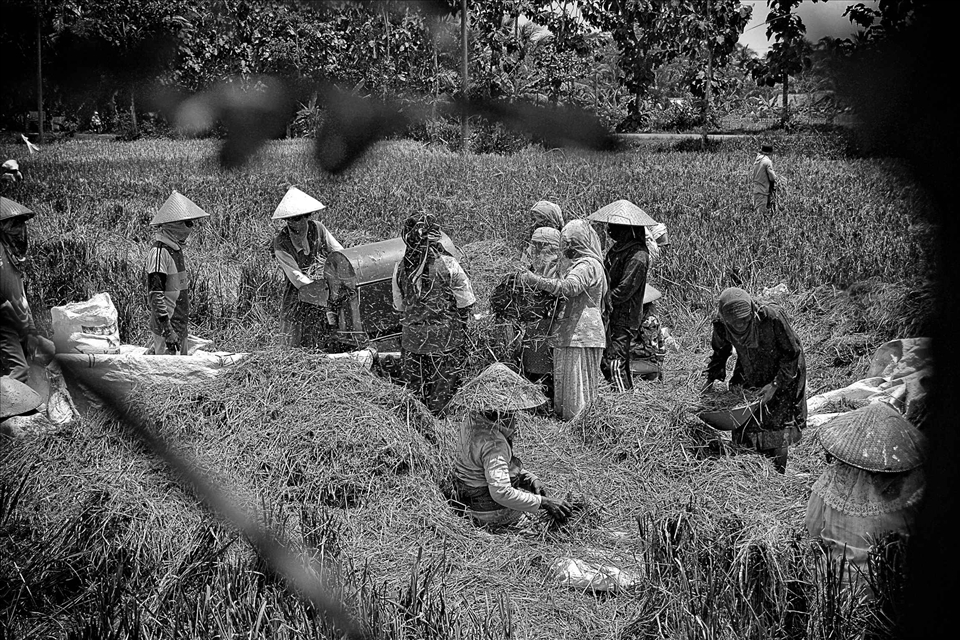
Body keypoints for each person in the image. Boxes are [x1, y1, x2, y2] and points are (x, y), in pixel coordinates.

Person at [805, 402, 926, 584]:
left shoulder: (833, 480)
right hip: (890, 583)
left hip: (836, 582)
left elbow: (812, 528)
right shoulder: (913, 484)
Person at [451, 362, 572, 528]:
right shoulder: (493, 443)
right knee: (548, 526)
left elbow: (487, 469)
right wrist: (544, 502)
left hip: (468, 501)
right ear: (502, 413)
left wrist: (528, 478)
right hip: (490, 513)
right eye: (512, 413)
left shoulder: (472, 420)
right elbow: (501, 492)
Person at [703, 287, 806, 473]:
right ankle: (747, 468)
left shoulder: (771, 317)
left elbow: (792, 353)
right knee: (743, 419)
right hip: (749, 363)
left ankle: (777, 474)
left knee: (778, 421)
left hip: (782, 367)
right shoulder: (721, 324)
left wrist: (775, 385)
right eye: (735, 323)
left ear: (752, 311)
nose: (741, 326)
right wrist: (710, 381)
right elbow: (720, 352)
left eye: (745, 320)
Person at [520, 219, 606, 420]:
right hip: (569, 332)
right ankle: (569, 423)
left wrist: (535, 280)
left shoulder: (588, 265)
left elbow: (570, 287)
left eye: (568, 242)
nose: (564, 247)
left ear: (579, 242)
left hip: (581, 334)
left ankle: (580, 426)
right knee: (567, 385)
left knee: (577, 387)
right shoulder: (577, 264)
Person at [392, 213, 476, 416]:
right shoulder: (449, 264)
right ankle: (439, 429)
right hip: (445, 342)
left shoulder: (399, 268)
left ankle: (417, 430)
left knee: (415, 395)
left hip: (412, 342)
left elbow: (400, 306)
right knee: (441, 395)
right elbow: (466, 303)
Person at [587, 200, 655, 392]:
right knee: (610, 357)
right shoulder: (618, 249)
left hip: (623, 313)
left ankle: (622, 398)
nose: (609, 229)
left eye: (615, 226)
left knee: (615, 359)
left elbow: (625, 289)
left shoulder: (638, 255)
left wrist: (605, 302)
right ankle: (622, 390)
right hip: (611, 310)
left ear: (628, 229)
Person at [271, 186, 343, 348]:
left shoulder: (318, 228)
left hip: (324, 288)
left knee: (322, 333)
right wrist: (318, 290)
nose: (297, 222)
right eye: (293, 219)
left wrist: (340, 272)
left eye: (301, 218)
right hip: (298, 293)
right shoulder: (281, 243)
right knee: (295, 337)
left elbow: (338, 251)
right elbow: (296, 276)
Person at [145, 191, 209, 356]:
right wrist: (168, 331)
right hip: (168, 328)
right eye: (187, 223)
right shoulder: (159, 253)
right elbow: (155, 294)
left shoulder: (175, 249)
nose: (191, 227)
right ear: (175, 224)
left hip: (179, 325)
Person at [517, 227, 561, 396]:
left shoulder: (561, 267)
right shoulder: (531, 266)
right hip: (533, 321)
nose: (536, 250)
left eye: (542, 246)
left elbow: (558, 288)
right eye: (535, 245)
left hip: (552, 321)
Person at [0, 197, 39, 383]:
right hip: (5, 323)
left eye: (20, 224)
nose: (20, 230)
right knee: (19, 370)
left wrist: (30, 331)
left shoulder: (13, 257)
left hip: (17, 322)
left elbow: (21, 296)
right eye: (14, 224)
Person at [751, 143, 777, 214]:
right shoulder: (767, 161)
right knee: (761, 214)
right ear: (769, 152)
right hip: (763, 190)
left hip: (757, 189)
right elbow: (772, 178)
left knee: (757, 211)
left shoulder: (757, 160)